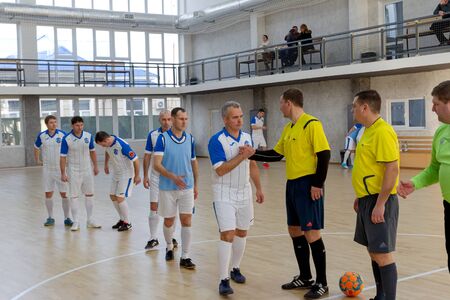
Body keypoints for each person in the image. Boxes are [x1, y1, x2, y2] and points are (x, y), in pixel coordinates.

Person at [249, 88, 331, 299]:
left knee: (312, 232)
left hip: (308, 184)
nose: (279, 107)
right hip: (292, 184)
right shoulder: (288, 128)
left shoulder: (312, 124)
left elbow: (324, 154)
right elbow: (276, 155)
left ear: (289, 103)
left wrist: (317, 184)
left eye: (281, 103)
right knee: (294, 229)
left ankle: (322, 282)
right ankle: (305, 276)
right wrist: (251, 154)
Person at [208, 101, 264, 296]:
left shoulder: (247, 137)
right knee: (227, 234)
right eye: (235, 117)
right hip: (224, 192)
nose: (239, 119)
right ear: (225, 119)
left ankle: (235, 268)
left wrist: (258, 188)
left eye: (241, 116)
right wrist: (242, 156)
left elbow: (253, 165)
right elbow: (221, 170)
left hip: (244, 190)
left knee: (242, 232)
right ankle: (223, 279)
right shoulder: (216, 140)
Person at [398, 80, 450, 273]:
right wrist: (415, 183)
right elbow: (434, 169)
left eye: (436, 104)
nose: (432, 109)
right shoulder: (441, 132)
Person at [352, 90, 399, 300]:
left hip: (379, 201)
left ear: (364, 107)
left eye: (354, 106)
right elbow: (368, 167)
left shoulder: (382, 131)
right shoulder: (367, 130)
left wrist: (380, 203)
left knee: (382, 253)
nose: (353, 110)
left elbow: (392, 169)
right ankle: (381, 296)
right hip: (367, 198)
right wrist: (360, 196)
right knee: (373, 251)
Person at [153, 107, 199, 269]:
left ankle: (185, 256)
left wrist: (196, 185)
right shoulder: (163, 139)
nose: (184, 121)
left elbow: (194, 162)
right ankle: (169, 245)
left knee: (187, 220)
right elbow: (156, 164)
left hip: (187, 187)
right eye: (181, 119)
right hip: (167, 188)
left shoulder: (190, 139)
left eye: (186, 119)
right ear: (172, 120)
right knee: (169, 220)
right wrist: (172, 176)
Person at [143, 110, 178, 250]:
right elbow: (147, 156)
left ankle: (171, 236)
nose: (167, 122)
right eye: (164, 119)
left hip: (172, 177)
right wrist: (145, 175)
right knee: (154, 207)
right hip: (156, 176)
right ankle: (153, 238)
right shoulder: (153, 135)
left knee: (172, 209)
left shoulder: (179, 134)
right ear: (160, 120)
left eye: (169, 119)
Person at [60, 116, 101, 231]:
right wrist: (63, 173)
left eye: (81, 125)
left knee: (89, 195)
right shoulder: (66, 139)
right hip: (73, 170)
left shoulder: (88, 136)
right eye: (77, 125)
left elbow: (92, 152)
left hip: (87, 169)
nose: (80, 127)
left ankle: (90, 220)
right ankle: (76, 221)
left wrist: (95, 166)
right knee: (74, 196)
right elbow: (62, 157)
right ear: (72, 126)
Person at [95, 131, 141, 232]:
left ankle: (127, 223)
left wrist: (137, 176)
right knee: (112, 196)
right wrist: (106, 164)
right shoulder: (108, 144)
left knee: (120, 198)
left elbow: (136, 160)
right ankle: (122, 219)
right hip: (117, 173)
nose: (103, 147)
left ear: (106, 140)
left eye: (102, 144)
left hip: (127, 174)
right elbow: (108, 151)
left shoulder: (122, 145)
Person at [34, 115, 72, 227]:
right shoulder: (42, 136)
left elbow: (70, 147)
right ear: (46, 124)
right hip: (47, 169)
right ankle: (50, 217)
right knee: (48, 193)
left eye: (55, 122)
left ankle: (67, 218)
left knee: (64, 194)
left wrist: (69, 160)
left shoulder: (63, 134)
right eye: (51, 122)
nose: (54, 124)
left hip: (60, 169)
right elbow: (36, 147)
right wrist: (38, 160)